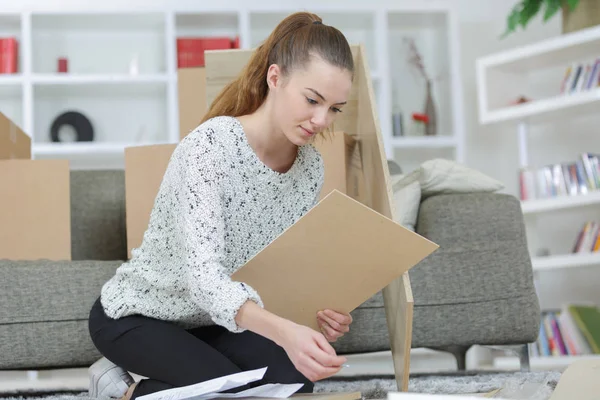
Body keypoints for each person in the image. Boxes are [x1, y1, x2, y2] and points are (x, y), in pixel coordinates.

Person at [87, 11, 355, 400]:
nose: (320, 120)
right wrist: (285, 334)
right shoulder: (211, 146)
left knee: (293, 385)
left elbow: (279, 270)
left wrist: (316, 317)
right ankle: (120, 388)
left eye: (334, 108)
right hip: (139, 314)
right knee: (219, 392)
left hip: (216, 322)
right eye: (313, 99)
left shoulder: (311, 168)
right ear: (275, 78)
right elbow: (203, 278)